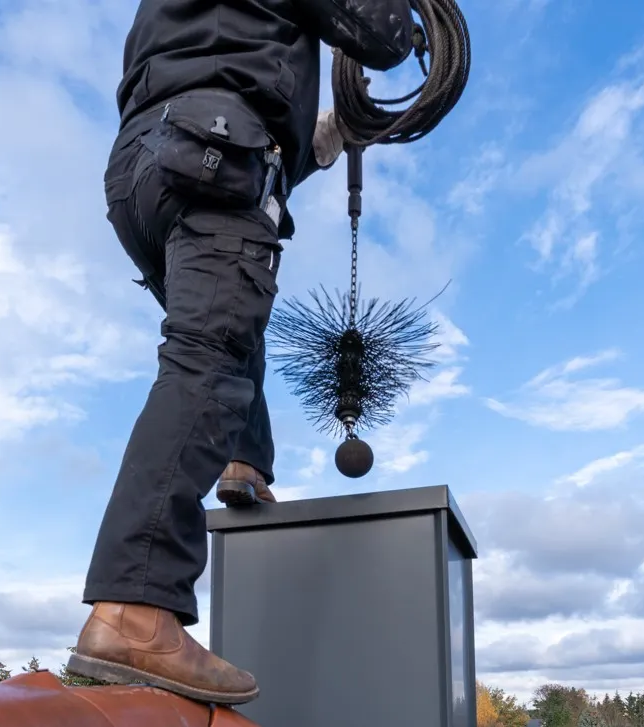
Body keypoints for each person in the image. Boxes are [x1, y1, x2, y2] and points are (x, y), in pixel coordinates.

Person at [67, 0, 416, 706]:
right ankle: (135, 609)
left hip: (144, 170)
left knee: (225, 327)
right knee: (211, 356)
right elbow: (380, 34)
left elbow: (222, 79)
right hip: (211, 152)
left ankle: (244, 461)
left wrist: (318, 140)